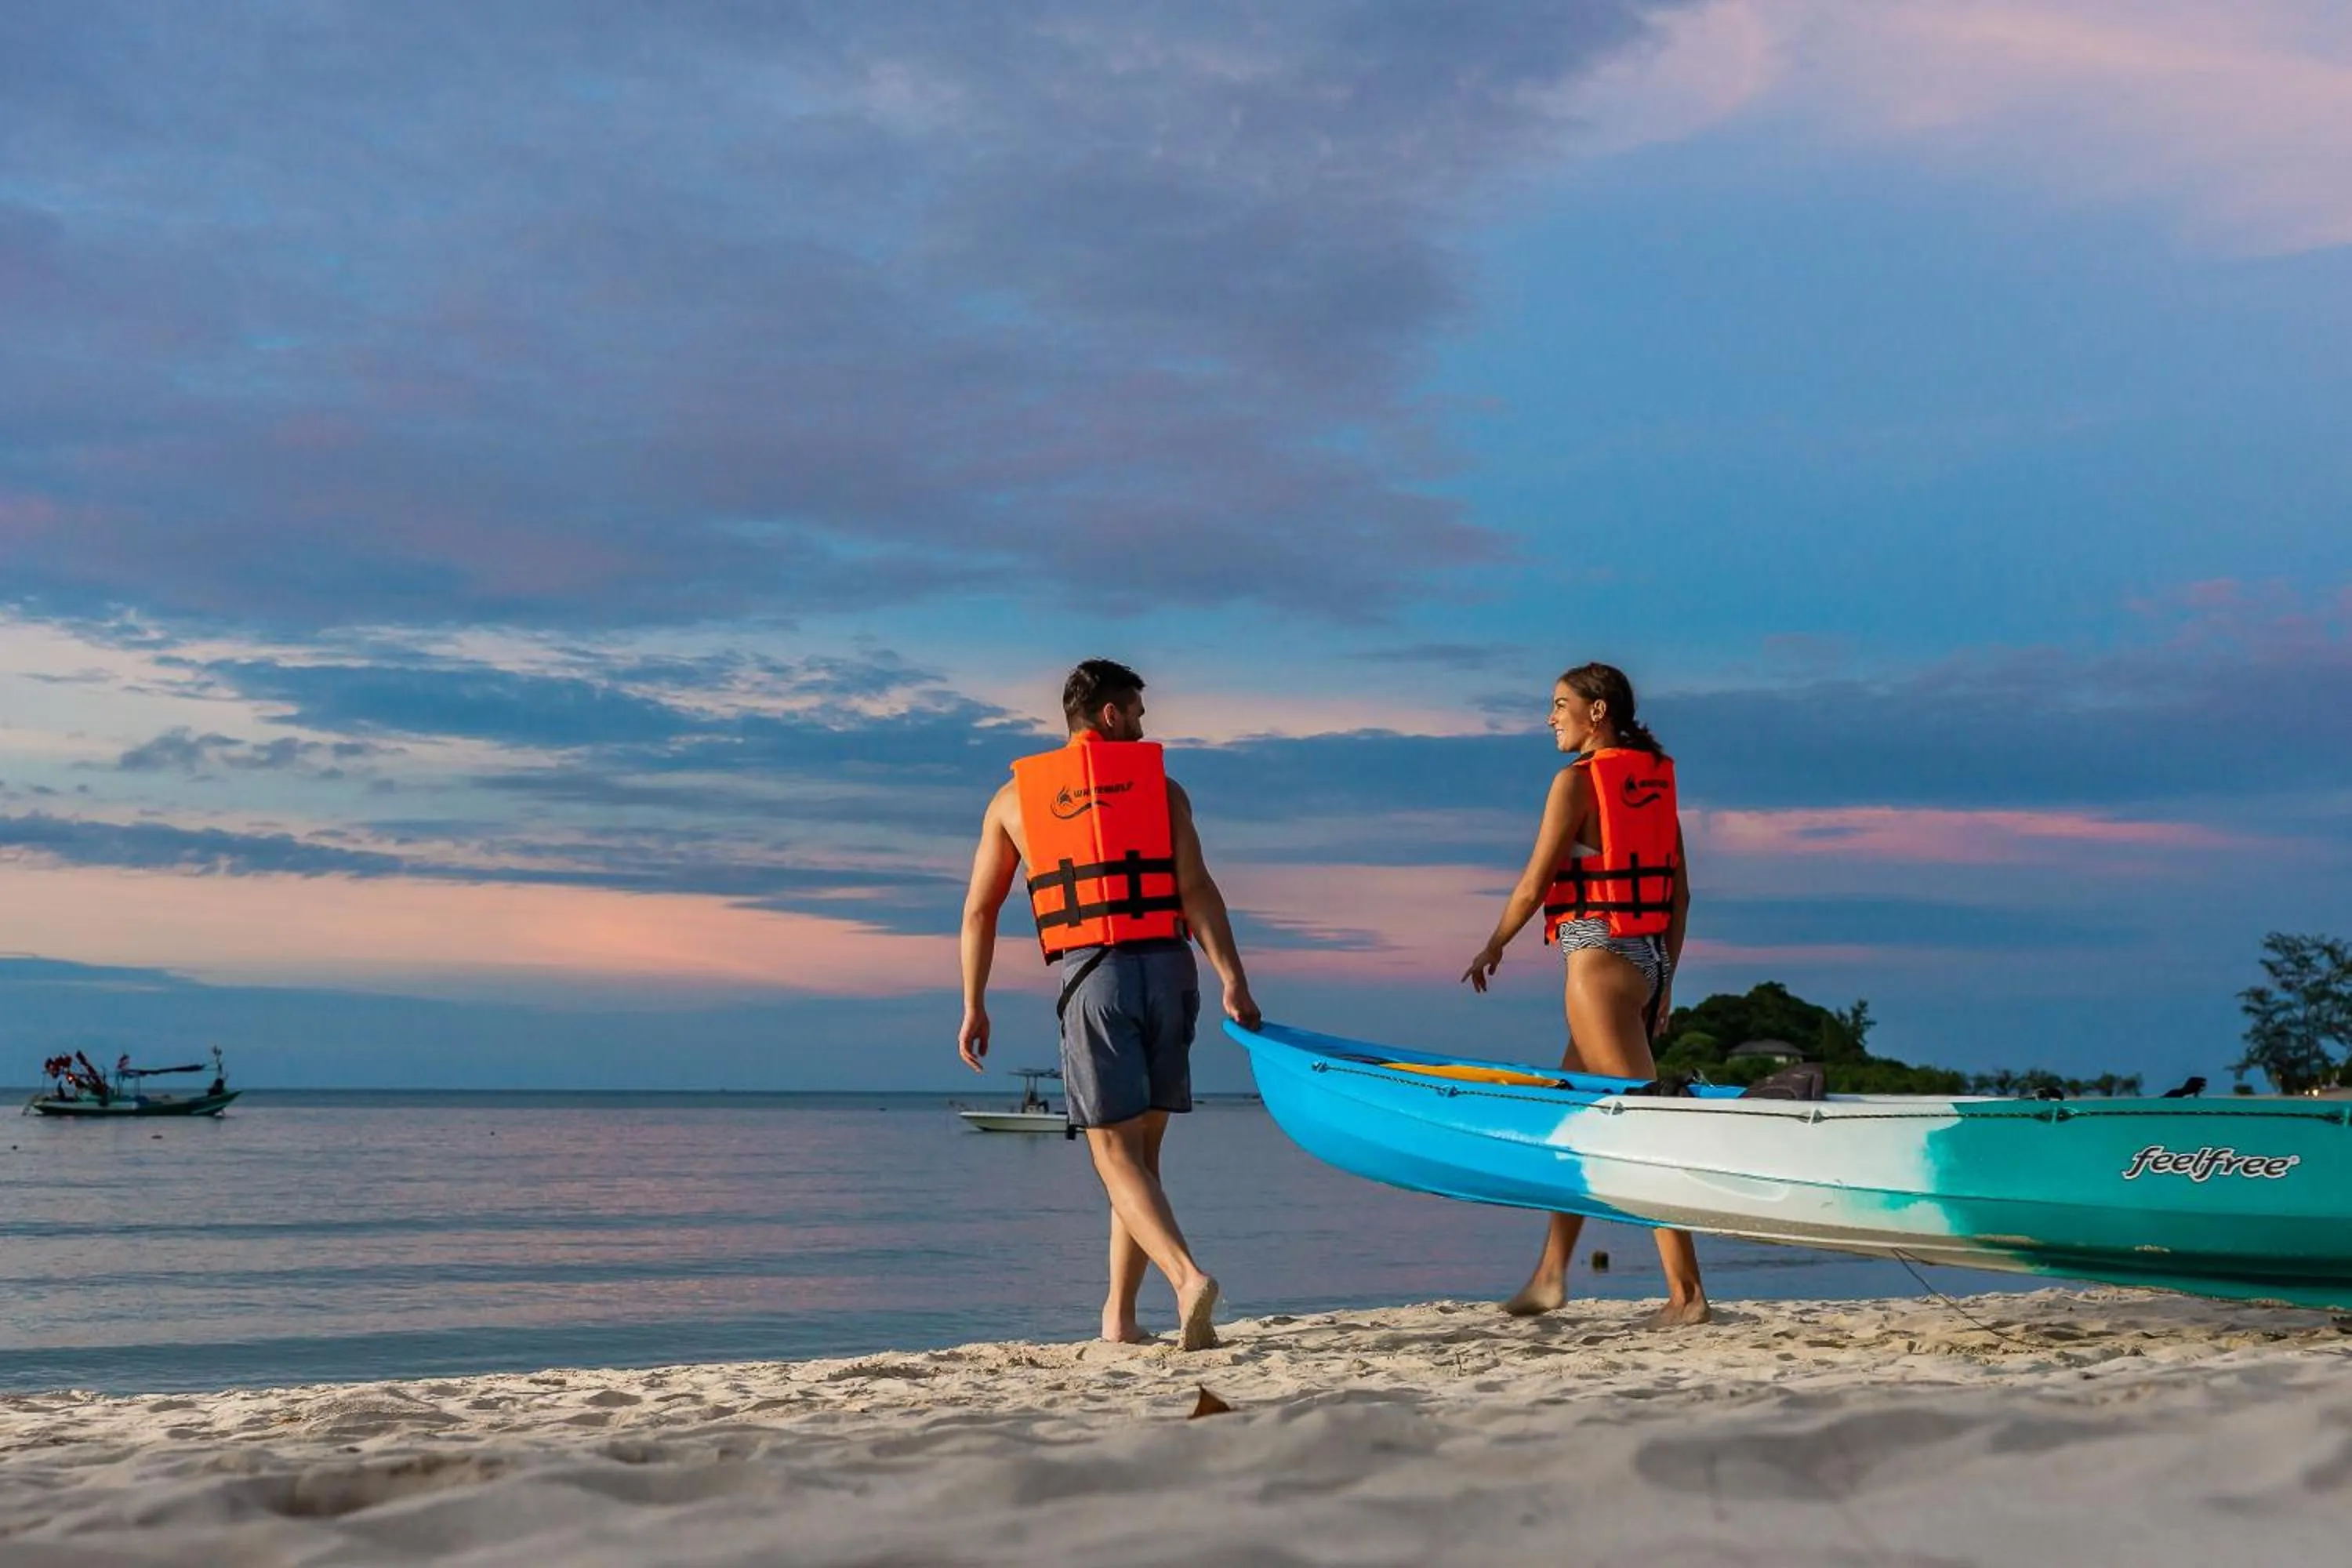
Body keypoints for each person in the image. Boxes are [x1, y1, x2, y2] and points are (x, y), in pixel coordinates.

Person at [959, 659, 1261, 1350]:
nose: (1146, 728)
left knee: (1111, 1154)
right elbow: (1200, 892)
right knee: (1140, 1159)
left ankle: (1186, 1278)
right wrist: (1232, 978)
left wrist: (974, 1003)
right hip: (1171, 970)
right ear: (1110, 716)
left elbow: (980, 912)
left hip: (1094, 977)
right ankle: (1119, 1320)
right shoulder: (1163, 788)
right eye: (1139, 714)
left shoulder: (1012, 802)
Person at [1460, 662, 1708, 1327]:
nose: (1550, 717)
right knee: (1573, 1122)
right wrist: (1667, 983)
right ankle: (1549, 1276)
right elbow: (1680, 894)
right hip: (1647, 962)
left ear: (1598, 712)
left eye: (1560, 704)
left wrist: (1494, 944)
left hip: (1597, 966)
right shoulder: (1654, 781)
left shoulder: (1576, 785)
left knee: (1640, 1132)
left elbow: (1533, 885)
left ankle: (1687, 1296)